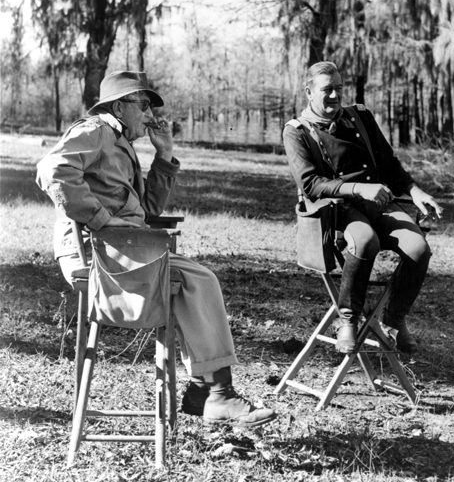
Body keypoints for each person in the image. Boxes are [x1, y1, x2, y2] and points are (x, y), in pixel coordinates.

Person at [36, 70, 276, 428]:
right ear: (120, 106)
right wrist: (101, 219)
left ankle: (204, 390)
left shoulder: (118, 142)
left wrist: (164, 154)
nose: (151, 115)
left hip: (124, 249)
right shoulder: (95, 131)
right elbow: (52, 170)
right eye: (144, 105)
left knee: (196, 279)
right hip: (98, 253)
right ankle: (216, 394)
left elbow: (146, 212)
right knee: (199, 280)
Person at [283, 61, 443, 354]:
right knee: (365, 241)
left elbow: (388, 163)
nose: (334, 96)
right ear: (309, 92)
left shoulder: (360, 116)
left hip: (379, 204)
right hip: (337, 212)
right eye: (326, 90)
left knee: (419, 248)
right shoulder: (296, 131)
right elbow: (311, 185)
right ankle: (347, 320)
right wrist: (359, 189)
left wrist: (414, 190)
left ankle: (394, 320)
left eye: (339, 89)